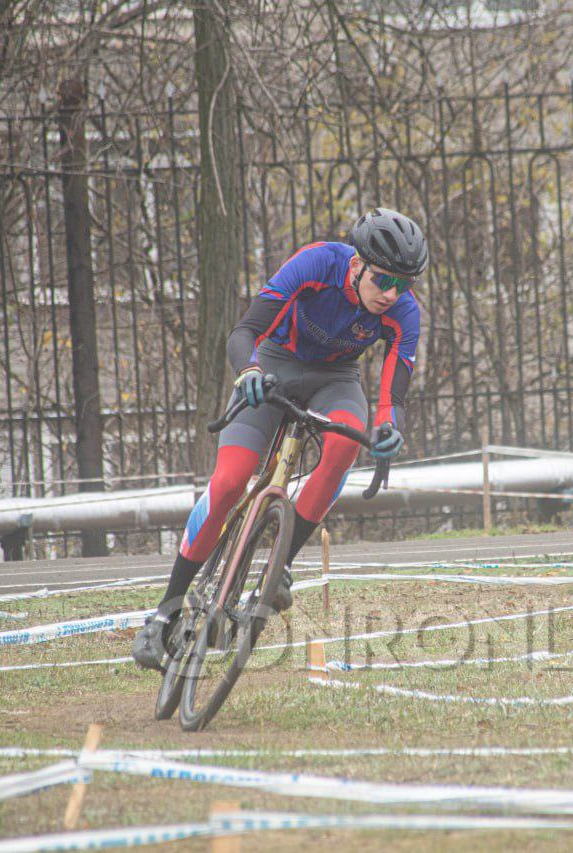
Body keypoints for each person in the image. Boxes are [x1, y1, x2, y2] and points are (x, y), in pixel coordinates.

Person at [132, 207, 428, 671]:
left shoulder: (404, 314)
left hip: (336, 380)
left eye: (403, 285)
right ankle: (163, 613)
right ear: (357, 265)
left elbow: (393, 393)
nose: (391, 294)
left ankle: (279, 565)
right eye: (384, 280)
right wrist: (248, 369)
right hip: (273, 364)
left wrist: (390, 428)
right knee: (230, 482)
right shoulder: (317, 264)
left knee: (345, 446)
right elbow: (246, 330)